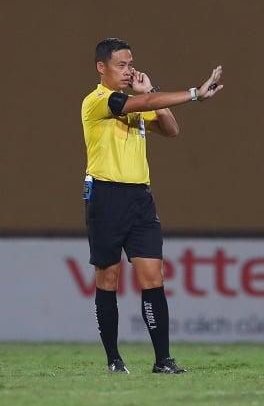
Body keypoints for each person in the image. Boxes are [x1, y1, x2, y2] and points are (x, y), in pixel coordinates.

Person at [81, 37, 223, 374]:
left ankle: (163, 360)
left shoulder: (136, 102)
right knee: (108, 277)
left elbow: (171, 129)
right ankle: (114, 359)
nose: (129, 71)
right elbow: (137, 105)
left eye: (131, 64)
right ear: (102, 68)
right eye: (121, 65)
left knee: (153, 276)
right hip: (105, 196)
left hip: (140, 199)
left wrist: (152, 92)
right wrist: (194, 94)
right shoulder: (99, 101)